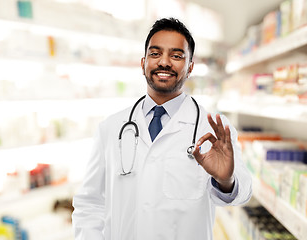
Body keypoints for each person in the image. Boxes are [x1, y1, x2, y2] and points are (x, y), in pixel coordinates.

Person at [72, 17, 252, 240]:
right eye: (155, 54)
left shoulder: (214, 130)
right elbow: (89, 204)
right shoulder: (111, 128)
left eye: (176, 56)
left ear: (190, 68)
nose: (164, 62)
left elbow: (243, 192)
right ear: (143, 63)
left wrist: (226, 181)